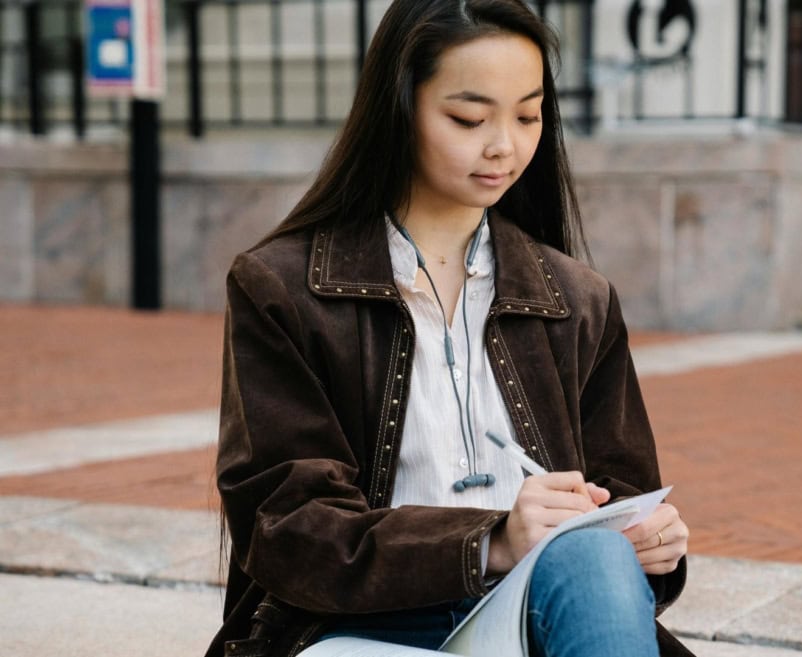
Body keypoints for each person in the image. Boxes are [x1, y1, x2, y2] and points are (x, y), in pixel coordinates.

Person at [206, 1, 691, 656]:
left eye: (528, 114)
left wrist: (653, 541)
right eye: (469, 117)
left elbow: (623, 498)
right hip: (358, 625)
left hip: (533, 610)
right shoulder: (283, 290)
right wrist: (489, 539)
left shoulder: (578, 300)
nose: (505, 144)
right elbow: (290, 528)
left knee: (595, 558)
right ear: (399, 109)